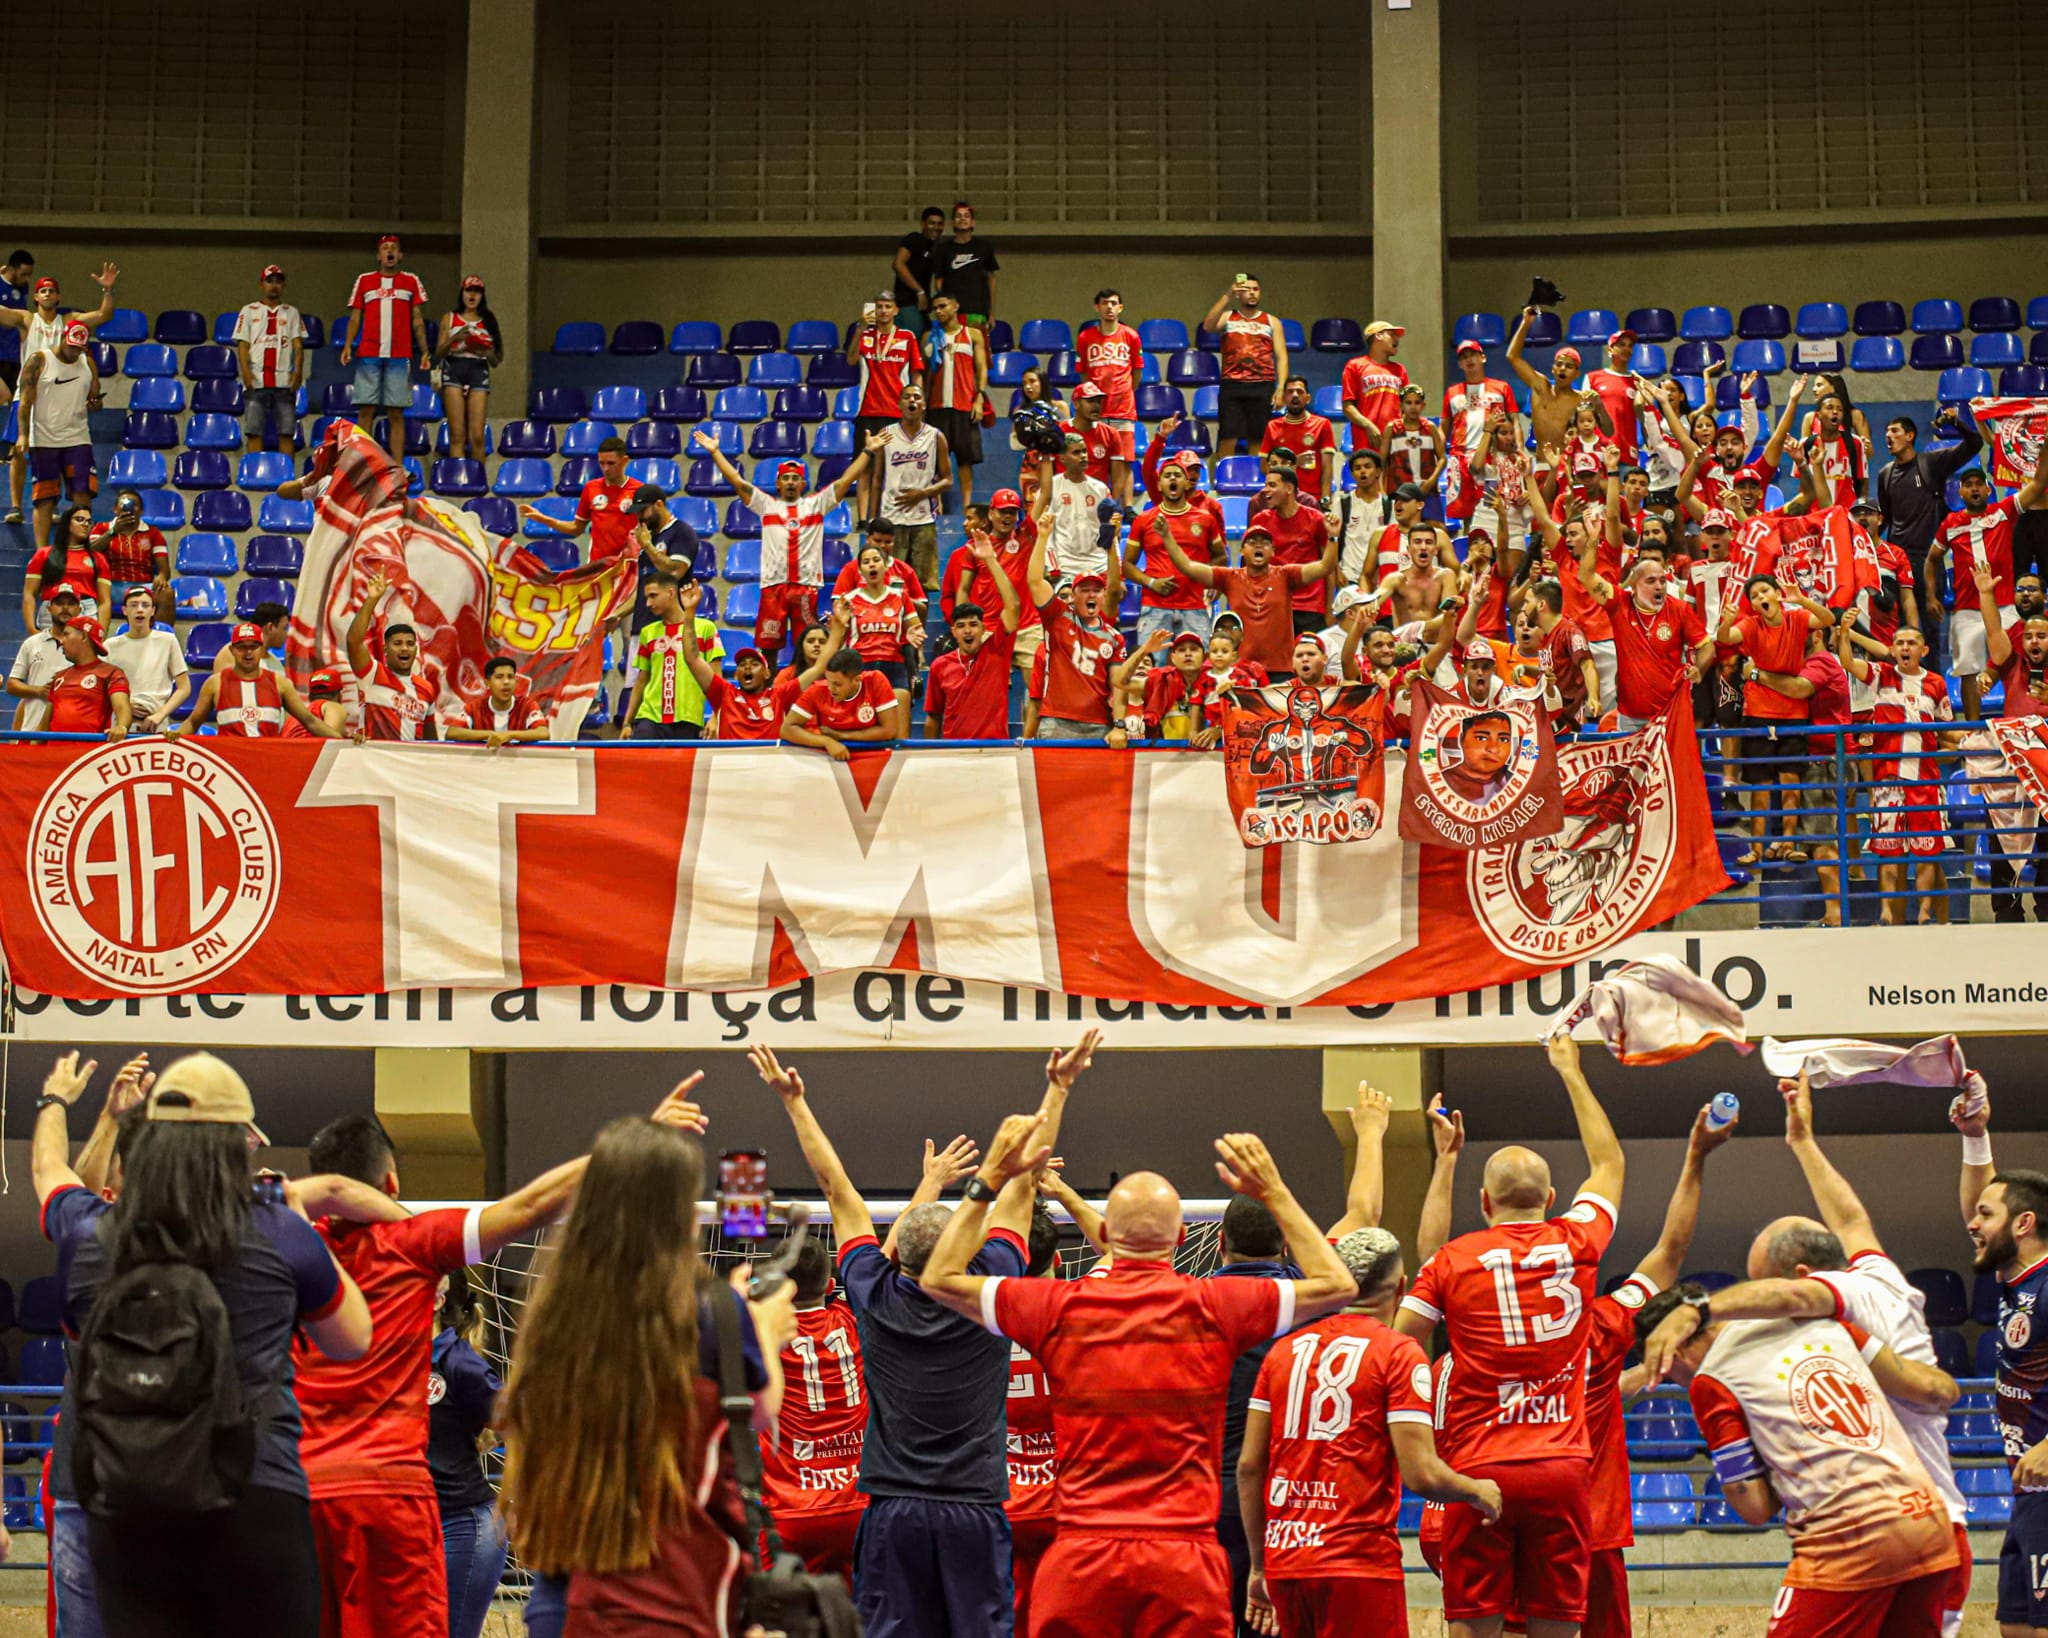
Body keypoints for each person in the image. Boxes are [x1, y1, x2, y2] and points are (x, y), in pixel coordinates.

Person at [919, 1105, 1357, 1637]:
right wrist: (1275, 1193)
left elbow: (938, 1277)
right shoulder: (1217, 1304)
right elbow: (1338, 1284)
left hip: (1081, 1555)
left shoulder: (1058, 1305)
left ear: (1103, 1232)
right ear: (1181, 1240)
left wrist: (989, 1178)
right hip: (1184, 1560)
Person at [752, 1036, 1094, 1638]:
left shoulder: (871, 1294)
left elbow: (839, 1192)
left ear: (898, 1256)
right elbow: (1017, 1194)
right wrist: (1058, 1089)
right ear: (966, 1253)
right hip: (975, 1504)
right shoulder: (989, 1293)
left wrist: (795, 1103)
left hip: (892, 1508)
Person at [34, 1050, 374, 1638]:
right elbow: (352, 1339)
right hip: (256, 1497)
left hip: (128, 1505)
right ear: (238, 1141)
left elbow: (51, 1174)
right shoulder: (278, 1231)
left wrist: (55, 1100)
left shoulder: (90, 1236)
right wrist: (302, 1229)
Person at [1638, 1069, 1974, 1638]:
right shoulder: (1880, 1278)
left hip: (1857, 1533)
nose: (1758, 1307)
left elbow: (1753, 1506)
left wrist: (1697, 1309)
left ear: (1798, 1279)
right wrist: (1802, 1141)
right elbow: (1852, 1221)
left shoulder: (1828, 1309)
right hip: (1936, 1518)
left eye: (1757, 1291)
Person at [1419, 1082, 1732, 1638]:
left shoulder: (1461, 1327)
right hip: (1577, 1505)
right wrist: (1696, 1159)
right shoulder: (1602, 1327)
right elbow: (1667, 1254)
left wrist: (1445, 1163)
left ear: (1486, 1204)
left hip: (1480, 1488)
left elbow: (1428, 1262)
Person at [295, 1112, 602, 1638]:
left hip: (306, 1495)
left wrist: (321, 1192)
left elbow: (264, 1201)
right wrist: (618, 1149)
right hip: (394, 1494)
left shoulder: (293, 1245)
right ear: (391, 1179)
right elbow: (530, 1206)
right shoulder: (416, 1242)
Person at [501, 1091, 792, 1638]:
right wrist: (766, 1333)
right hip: (670, 1599)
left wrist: (634, 1145)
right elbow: (760, 1411)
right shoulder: (710, 1312)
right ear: (676, 1211)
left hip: (563, 1601)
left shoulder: (557, 1314)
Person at [1392, 1034, 1627, 1638]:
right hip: (1562, 1468)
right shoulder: (1577, 1241)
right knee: (1557, 1629)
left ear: (1484, 1201)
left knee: (1477, 1626)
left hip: (1478, 1472)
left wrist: (1446, 1160)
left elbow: (1406, 1340)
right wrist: (1571, 1071)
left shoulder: (1454, 1260)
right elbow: (1609, 1165)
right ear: (1551, 1200)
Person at [1632, 1276, 1958, 1638]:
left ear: (1669, 1352)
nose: (1676, 1382)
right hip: (1929, 1523)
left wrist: (1771, 1463)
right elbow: (1936, 1390)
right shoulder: (1825, 1324)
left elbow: (1754, 1508)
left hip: (1848, 1538)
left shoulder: (1711, 1381)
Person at [1238, 1228, 1503, 1638]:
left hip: (1287, 1561)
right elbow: (1422, 1475)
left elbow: (1250, 1467)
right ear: (1400, 1287)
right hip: (1358, 1565)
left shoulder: (1282, 1351)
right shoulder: (1398, 1352)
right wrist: (1477, 1490)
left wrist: (1259, 1565)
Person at [1950, 1093, 2048, 1638]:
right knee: (2014, 1627)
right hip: (2028, 1496)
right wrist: (1975, 1134)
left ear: (2024, 1222)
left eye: (1987, 1215)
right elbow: (1982, 1200)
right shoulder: (2015, 1280)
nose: (1972, 1222)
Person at [695, 427, 876, 664]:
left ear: (803, 484)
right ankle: (770, 692)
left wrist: (867, 451)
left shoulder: (817, 504)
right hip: (774, 587)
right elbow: (737, 481)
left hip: (806, 587)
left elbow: (846, 480)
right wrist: (716, 453)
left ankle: (804, 693)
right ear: (778, 484)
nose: (791, 482)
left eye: (796, 478)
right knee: (768, 649)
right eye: (785, 478)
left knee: (809, 646)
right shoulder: (766, 505)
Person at [1719, 574, 1837, 865]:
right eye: (1755, 596)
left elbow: (1828, 618)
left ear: (1776, 593)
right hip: (1757, 713)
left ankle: (1788, 842)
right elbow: (1725, 638)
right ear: (1754, 606)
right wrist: (1726, 621)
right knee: (1760, 783)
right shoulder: (1750, 624)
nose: (1761, 597)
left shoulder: (1796, 618)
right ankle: (1757, 848)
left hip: (1794, 713)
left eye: (1764, 591)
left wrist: (1802, 599)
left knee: (1790, 780)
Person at [1, 260, 117, 526]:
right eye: (43, 290)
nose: (48, 294)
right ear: (35, 296)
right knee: (18, 450)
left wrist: (108, 291)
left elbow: (103, 316)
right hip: (29, 391)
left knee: (59, 450)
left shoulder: (70, 320)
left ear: (59, 295)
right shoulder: (26, 319)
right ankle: (17, 506)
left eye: (52, 290)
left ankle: (50, 505)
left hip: (61, 394)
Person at [1927, 461, 2048, 718]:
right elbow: (1931, 560)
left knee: (2017, 664)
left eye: (1979, 484)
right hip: (1966, 609)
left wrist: (2046, 445)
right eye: (1968, 485)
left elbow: (2038, 485)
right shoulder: (1950, 523)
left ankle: (2023, 717)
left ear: (1988, 488)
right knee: (1969, 672)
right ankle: (1972, 730)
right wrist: (1930, 595)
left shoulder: (2003, 512)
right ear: (1960, 492)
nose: (1974, 489)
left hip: (2006, 605)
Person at [428, 1277, 505, 1638]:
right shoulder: (388, 1357)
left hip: (465, 1526)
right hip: (417, 1525)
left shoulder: (457, 1362)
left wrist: (515, 1497)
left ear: (437, 1299)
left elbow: (527, 1424)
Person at [1161, 522, 1339, 676]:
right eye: (1252, 542)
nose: (1258, 546)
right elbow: (1187, 567)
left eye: (1265, 543)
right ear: (1242, 551)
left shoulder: (1286, 575)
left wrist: (1332, 537)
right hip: (1241, 671)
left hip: (1280, 670)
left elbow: (1325, 567)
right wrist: (1166, 535)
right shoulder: (1229, 577)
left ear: (1273, 551)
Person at [681, 589, 843, 741]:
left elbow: (818, 667)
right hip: (731, 765)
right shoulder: (723, 693)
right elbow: (692, 659)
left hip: (769, 766)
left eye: (754, 664)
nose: (747, 667)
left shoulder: (780, 695)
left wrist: (838, 629)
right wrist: (689, 614)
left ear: (767, 673)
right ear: (736, 674)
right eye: (742, 664)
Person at [1024, 540, 1134, 742]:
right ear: (1072, 597)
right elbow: (1035, 581)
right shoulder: (1057, 617)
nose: (1091, 594)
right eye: (1084, 590)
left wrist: (1119, 725)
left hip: (1099, 725)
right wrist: (1042, 537)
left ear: (1103, 596)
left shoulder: (1114, 638)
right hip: (1056, 721)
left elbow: (1118, 685)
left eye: (1096, 590)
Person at [340, 235, 429, 468]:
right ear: (378, 255)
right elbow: (355, 316)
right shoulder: (365, 280)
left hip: (399, 356)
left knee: (396, 413)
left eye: (394, 248)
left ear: (400, 255)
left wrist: (425, 351)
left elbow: (417, 319)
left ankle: (396, 468)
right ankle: (362, 464)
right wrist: (349, 345)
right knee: (366, 410)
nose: (389, 252)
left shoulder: (411, 281)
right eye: (385, 248)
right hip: (369, 353)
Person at [175, 621, 341, 739]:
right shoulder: (215, 683)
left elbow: (310, 721)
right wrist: (172, 739)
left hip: (268, 766)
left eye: (253, 647)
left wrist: (343, 742)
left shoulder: (280, 683)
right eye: (242, 647)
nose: (248, 652)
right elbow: (193, 722)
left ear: (261, 649)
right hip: (228, 769)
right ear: (232, 650)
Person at [1876, 406, 1983, 589]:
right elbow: (1884, 517)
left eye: (1894, 431)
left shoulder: (1932, 463)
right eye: (1887, 431)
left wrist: (1956, 422)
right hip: (1898, 559)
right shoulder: (1884, 474)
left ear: (1910, 436)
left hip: (1929, 558)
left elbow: (1975, 443)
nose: (1888, 435)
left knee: (1931, 616)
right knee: (1902, 617)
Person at [19, 321, 103, 549]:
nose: (75, 352)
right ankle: (42, 552)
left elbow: (95, 397)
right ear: (63, 338)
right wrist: (23, 435)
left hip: (78, 438)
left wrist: (95, 402)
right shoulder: (40, 360)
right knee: (44, 498)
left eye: (80, 348)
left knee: (82, 494)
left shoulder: (88, 364)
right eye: (72, 346)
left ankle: (78, 549)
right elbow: (25, 401)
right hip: (44, 439)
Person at [926, 539, 1022, 739]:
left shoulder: (998, 651)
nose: (967, 631)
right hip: (954, 752)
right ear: (953, 632)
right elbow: (934, 717)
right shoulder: (939, 666)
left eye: (973, 624)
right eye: (961, 626)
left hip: (995, 751)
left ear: (983, 628)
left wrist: (990, 560)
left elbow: (1012, 605)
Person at [1124, 455, 1220, 647]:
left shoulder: (1205, 519)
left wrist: (1215, 583)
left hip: (1195, 605)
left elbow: (1220, 556)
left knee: (1199, 668)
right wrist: (1151, 582)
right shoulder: (1143, 520)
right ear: (1159, 485)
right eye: (1167, 475)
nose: (1173, 478)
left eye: (1178, 475)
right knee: (1152, 669)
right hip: (1154, 606)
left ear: (1186, 483)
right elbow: (1126, 565)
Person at [847, 292, 925, 519]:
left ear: (895, 310)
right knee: (865, 467)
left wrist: (919, 403)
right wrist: (859, 330)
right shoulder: (864, 335)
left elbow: (917, 373)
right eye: (879, 306)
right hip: (867, 410)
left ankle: (890, 515)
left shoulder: (907, 337)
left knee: (896, 468)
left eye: (887, 306)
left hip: (895, 412)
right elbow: (851, 360)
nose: (882, 311)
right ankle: (863, 519)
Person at [842, 536, 928, 735]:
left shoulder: (900, 596)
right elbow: (839, 639)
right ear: (860, 570)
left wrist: (916, 634)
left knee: (899, 735)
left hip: (895, 666)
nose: (871, 565)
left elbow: (915, 627)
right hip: (860, 669)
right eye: (866, 562)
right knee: (865, 730)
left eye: (876, 560)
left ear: (885, 566)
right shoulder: (849, 600)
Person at [347, 568, 441, 741]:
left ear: (416, 650)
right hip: (374, 763)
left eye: (410, 644)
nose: (404, 648)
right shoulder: (372, 674)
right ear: (385, 650)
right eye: (397, 644)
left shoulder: (426, 688)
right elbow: (353, 641)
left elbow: (431, 740)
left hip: (409, 765)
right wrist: (372, 599)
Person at [625, 570, 720, 741]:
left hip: (688, 718)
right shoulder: (648, 633)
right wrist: (627, 723)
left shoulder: (706, 628)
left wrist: (715, 717)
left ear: (670, 593)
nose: (648, 603)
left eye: (653, 596)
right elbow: (641, 682)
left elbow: (717, 681)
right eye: (646, 597)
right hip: (649, 718)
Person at [523, 436, 641, 573]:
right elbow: (576, 528)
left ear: (624, 461)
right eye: (602, 463)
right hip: (597, 566)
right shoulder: (591, 488)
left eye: (611, 463)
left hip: (628, 567)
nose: (606, 468)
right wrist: (543, 519)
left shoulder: (639, 490)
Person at [1203, 275, 1288, 456]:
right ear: (1238, 294)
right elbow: (1208, 326)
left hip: (1262, 385)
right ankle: (1224, 478)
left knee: (1258, 438)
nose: (1252, 293)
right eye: (1246, 289)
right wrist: (1227, 295)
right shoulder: (1228, 317)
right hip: (1232, 384)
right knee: (1228, 437)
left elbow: (1281, 356)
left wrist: (1281, 387)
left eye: (1255, 289)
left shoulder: (1272, 321)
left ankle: (1255, 479)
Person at [877, 381, 949, 587]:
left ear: (924, 405)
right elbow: (876, 479)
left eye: (917, 397)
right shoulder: (886, 434)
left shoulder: (936, 436)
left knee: (921, 586)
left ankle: (918, 621)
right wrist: (872, 519)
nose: (912, 400)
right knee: (891, 583)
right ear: (899, 403)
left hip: (922, 520)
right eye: (907, 396)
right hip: (891, 518)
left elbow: (948, 480)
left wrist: (923, 493)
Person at [1076, 289, 1143, 505]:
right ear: (1097, 307)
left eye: (1114, 303)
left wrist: (1125, 392)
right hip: (1097, 410)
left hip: (1123, 408)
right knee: (1096, 459)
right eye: (1105, 303)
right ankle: (1095, 502)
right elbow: (1084, 374)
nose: (1110, 307)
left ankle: (1128, 505)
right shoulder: (1086, 338)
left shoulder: (1131, 336)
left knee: (1125, 461)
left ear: (1121, 307)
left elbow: (1137, 370)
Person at [232, 264, 306, 455]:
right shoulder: (248, 311)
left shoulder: (292, 313)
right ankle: (255, 476)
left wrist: (298, 372)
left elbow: (298, 345)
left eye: (278, 282)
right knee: (254, 432)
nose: (274, 286)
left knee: (287, 432)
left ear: (284, 287)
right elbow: (243, 346)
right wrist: (246, 374)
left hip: (284, 383)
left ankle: (287, 478)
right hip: (256, 382)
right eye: (269, 281)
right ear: (261, 285)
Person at [926, 292, 990, 508]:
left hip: (964, 405)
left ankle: (966, 507)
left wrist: (979, 398)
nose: (939, 311)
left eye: (943, 306)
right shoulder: (929, 337)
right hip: (935, 406)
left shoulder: (973, 335)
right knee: (934, 461)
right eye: (936, 308)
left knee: (965, 460)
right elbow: (923, 374)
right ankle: (938, 507)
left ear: (955, 306)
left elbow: (981, 369)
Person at [782, 647, 902, 759]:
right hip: (831, 758)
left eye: (837, 684)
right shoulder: (817, 690)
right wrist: (826, 741)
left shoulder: (876, 681)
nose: (830, 688)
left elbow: (889, 731)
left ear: (857, 680)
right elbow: (787, 729)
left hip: (874, 756)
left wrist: (841, 735)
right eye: (828, 680)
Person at [432, 275, 501, 464]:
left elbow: (496, 359)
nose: (472, 295)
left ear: (482, 296)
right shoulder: (450, 318)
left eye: (477, 292)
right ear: (462, 293)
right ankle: (458, 477)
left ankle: (477, 476)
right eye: (468, 291)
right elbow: (438, 352)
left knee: (477, 434)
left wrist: (485, 351)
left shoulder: (488, 320)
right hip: (454, 368)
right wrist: (455, 338)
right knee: (457, 434)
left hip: (478, 369)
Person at [105, 586, 190, 732]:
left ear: (153, 611)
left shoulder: (167, 641)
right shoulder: (110, 646)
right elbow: (101, 689)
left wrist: (160, 714)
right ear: (125, 610)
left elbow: (184, 688)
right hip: (119, 723)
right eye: (134, 605)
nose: (139, 609)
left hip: (156, 722)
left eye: (145, 605)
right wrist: (122, 706)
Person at [1504, 307, 1583, 464]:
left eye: (1568, 366)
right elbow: (1512, 356)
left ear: (1576, 374)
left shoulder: (1581, 400)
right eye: (1559, 364)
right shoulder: (1540, 388)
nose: (1562, 369)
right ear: (1553, 369)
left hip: (1569, 468)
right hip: (1542, 465)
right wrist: (1526, 322)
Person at [622, 483, 703, 635]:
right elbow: (642, 586)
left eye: (643, 511)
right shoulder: (648, 537)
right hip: (641, 626)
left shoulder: (681, 532)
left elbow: (675, 570)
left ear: (659, 504)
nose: (640, 518)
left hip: (670, 626)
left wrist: (647, 546)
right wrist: (618, 614)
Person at [23, 501, 109, 631]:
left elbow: (105, 601)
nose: (86, 524)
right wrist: (31, 629)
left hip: (86, 610)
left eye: (89, 521)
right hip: (51, 611)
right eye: (80, 519)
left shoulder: (98, 559)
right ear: (67, 523)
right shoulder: (44, 555)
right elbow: (29, 594)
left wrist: (100, 634)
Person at [1259, 376, 1339, 508]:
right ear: (1284, 398)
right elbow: (1264, 467)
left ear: (1308, 398)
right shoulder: (1272, 426)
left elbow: (1327, 467)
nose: (1295, 395)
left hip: (1313, 498)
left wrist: (1325, 499)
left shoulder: (1322, 424)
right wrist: (1294, 464)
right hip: (1282, 497)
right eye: (1290, 392)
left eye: (1299, 391)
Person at [46, 616, 130, 740]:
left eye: (66, 634)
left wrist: (121, 727)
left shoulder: (112, 673)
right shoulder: (59, 677)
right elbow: (44, 724)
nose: (61, 641)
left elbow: (122, 707)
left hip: (90, 755)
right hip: (56, 755)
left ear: (84, 637)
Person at [91, 488, 172, 614]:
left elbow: (165, 570)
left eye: (134, 505)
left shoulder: (153, 533)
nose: (129, 509)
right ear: (115, 509)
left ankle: (160, 633)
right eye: (123, 505)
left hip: (143, 586)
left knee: (167, 593)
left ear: (141, 511)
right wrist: (113, 532)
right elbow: (89, 551)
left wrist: (161, 576)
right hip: (110, 585)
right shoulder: (101, 528)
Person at [7, 582, 74, 729]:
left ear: (79, 609)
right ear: (49, 608)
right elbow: (11, 685)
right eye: (59, 603)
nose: (65, 607)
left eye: (70, 603)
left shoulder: (86, 646)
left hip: (68, 731)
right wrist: (39, 691)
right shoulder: (31, 643)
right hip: (32, 728)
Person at [444, 655, 550, 746]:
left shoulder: (527, 705)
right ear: (487, 683)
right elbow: (452, 732)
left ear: (516, 682)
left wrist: (508, 735)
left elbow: (543, 733)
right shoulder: (475, 707)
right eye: (499, 677)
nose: (506, 682)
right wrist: (491, 735)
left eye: (510, 677)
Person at [1339, 319, 1408, 454]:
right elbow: (1348, 407)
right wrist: (1368, 426)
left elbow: (1405, 405)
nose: (1397, 340)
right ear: (1378, 336)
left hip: (1395, 442)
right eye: (1392, 335)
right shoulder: (1355, 366)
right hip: (1367, 440)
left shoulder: (1400, 370)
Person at [931, 201, 998, 331]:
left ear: (973, 222)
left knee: (978, 349)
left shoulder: (984, 247)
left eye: (966, 216)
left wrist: (991, 312)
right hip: (953, 314)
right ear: (952, 222)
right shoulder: (942, 249)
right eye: (958, 216)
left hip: (978, 312)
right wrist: (946, 307)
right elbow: (938, 281)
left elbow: (992, 279)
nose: (962, 219)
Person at [892, 206, 947, 331]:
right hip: (906, 304)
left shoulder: (937, 248)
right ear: (923, 224)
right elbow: (898, 264)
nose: (936, 227)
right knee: (911, 344)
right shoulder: (914, 239)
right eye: (932, 223)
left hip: (922, 308)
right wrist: (919, 292)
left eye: (940, 224)